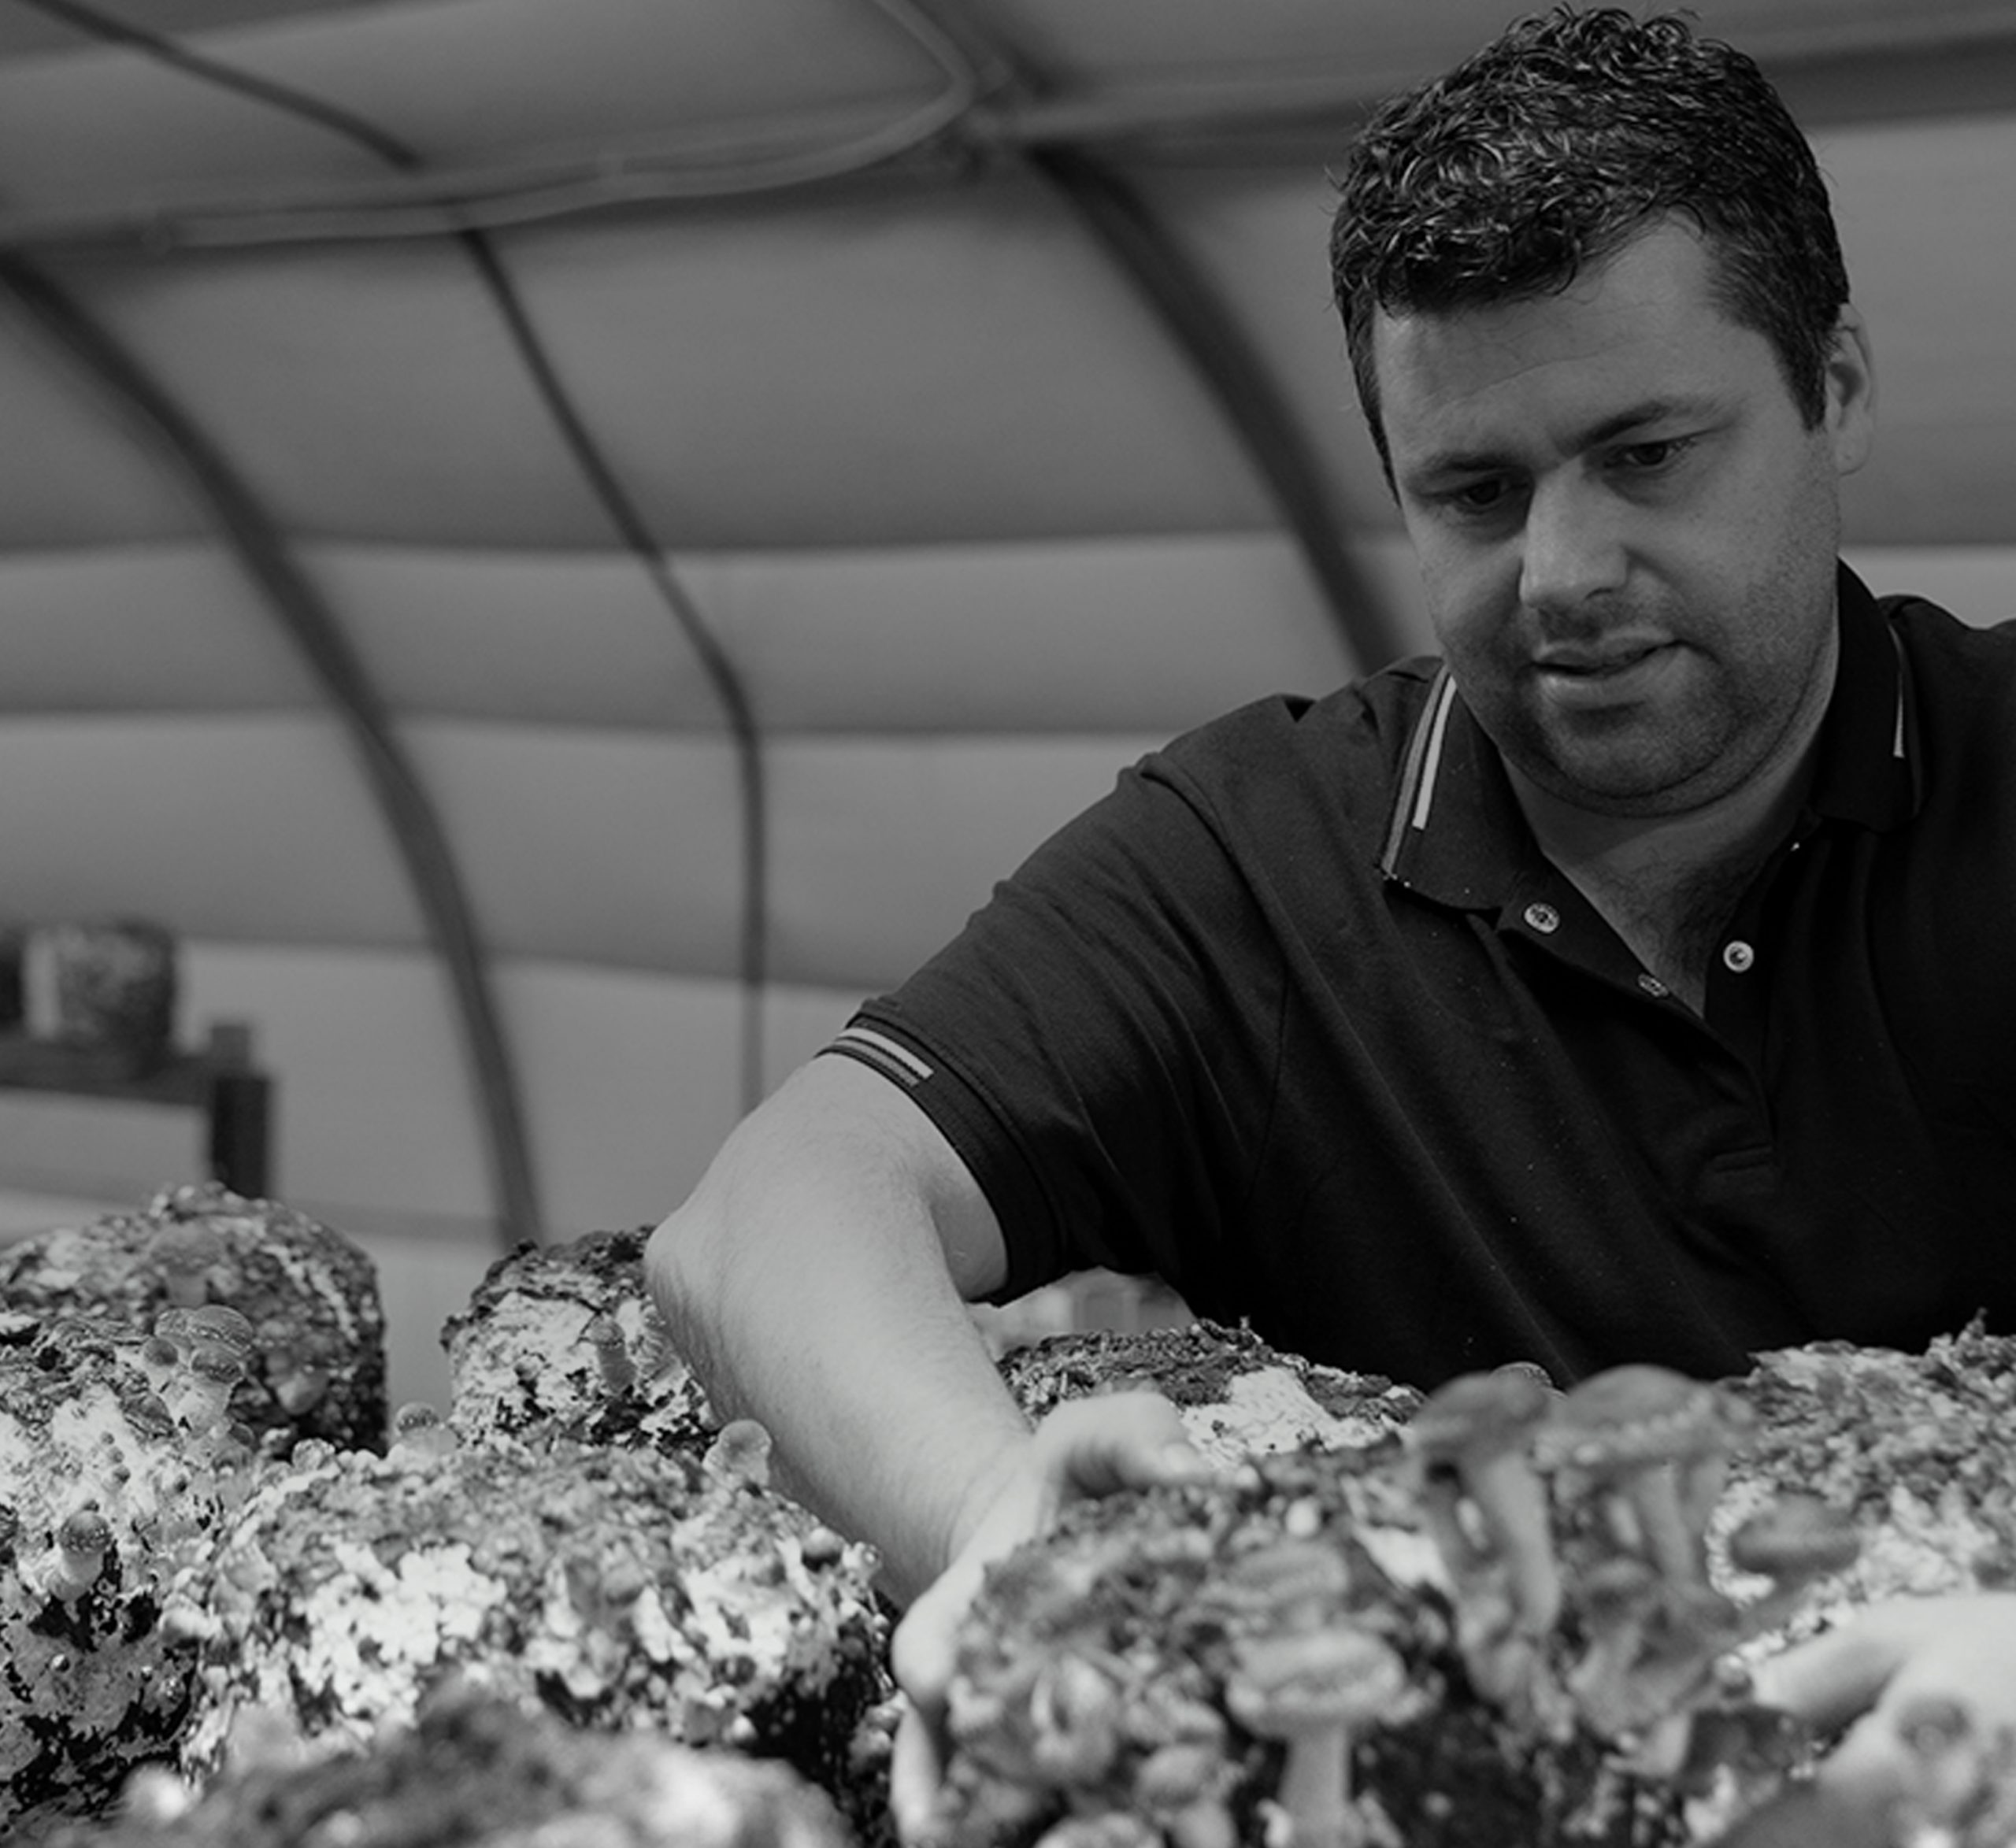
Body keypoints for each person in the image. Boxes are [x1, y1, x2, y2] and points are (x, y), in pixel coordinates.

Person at [647, 5, 2016, 1834]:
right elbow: (766, 1211)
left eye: (1644, 453)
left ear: (1832, 385)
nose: (1562, 574)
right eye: (1474, 491)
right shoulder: (1263, 855)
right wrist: (986, 1518)